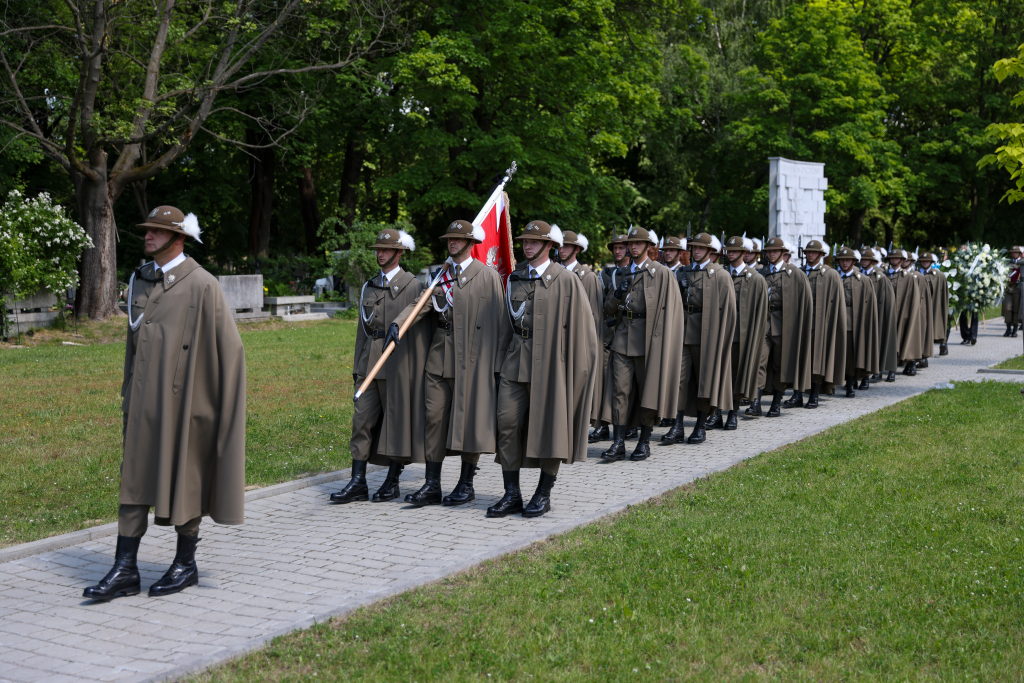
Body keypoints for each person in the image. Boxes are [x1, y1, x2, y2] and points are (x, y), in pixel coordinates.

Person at [84, 206, 246, 601]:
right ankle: (125, 569)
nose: (148, 236)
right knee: (134, 478)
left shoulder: (202, 284)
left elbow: (230, 352)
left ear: (178, 238)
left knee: (185, 478)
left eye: (157, 231)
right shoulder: (140, 281)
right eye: (148, 230)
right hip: (142, 403)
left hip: (186, 404)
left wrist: (216, 410)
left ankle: (185, 564)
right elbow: (133, 347)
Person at [392, 220, 511, 507]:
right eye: (449, 239)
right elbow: (421, 304)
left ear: (471, 244)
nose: (452, 243)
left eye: (458, 240)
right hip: (440, 356)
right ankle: (432, 484)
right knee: (433, 418)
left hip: (472, 359)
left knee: (469, 420)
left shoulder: (487, 276)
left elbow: (500, 323)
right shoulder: (441, 275)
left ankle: (466, 483)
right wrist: (398, 323)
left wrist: (496, 366)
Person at [488, 221, 599, 518]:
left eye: (535, 242)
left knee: (551, 427)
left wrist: (577, 373)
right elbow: (504, 328)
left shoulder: (566, 280)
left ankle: (543, 493)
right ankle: (512, 493)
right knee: (507, 424)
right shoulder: (515, 278)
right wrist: (499, 365)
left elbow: (583, 332)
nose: (528, 246)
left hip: (552, 365)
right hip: (515, 363)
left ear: (550, 246)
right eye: (525, 241)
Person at [329, 229, 431, 504]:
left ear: (399, 253)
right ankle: (357, 481)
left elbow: (419, 324)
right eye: (378, 249)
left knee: (397, 423)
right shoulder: (369, 286)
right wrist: (357, 368)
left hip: (397, 365)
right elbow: (363, 331)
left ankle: (392, 481)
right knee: (361, 420)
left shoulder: (414, 286)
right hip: (369, 364)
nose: (380, 254)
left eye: (386, 250)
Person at [600, 225, 684, 460]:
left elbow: (672, 314)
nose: (633, 247)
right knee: (619, 391)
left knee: (648, 392)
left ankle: (644, 442)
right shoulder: (621, 273)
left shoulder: (661, 273)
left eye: (639, 243)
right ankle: (618, 443)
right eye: (631, 243)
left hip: (649, 342)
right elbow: (606, 309)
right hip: (623, 339)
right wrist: (617, 295)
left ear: (648, 246)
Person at [755, 237, 812, 417]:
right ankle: (756, 402)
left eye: (775, 251)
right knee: (759, 361)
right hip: (764, 323)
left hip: (784, 325)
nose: (771, 254)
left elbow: (805, 301)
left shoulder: (795, 273)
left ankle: (776, 403)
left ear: (782, 253)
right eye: (769, 251)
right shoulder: (762, 272)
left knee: (781, 366)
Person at [786, 240, 846, 408]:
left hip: (820, 325)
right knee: (799, 359)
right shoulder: (798, 272)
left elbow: (837, 304)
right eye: (808, 252)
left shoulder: (830, 274)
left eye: (814, 252)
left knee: (817, 361)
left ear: (821, 255)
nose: (810, 255)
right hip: (800, 324)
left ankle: (814, 395)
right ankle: (797, 395)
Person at [558, 230, 605, 432]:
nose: (562, 249)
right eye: (560, 245)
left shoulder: (587, 277)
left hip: (576, 341)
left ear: (577, 249)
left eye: (567, 246)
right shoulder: (553, 273)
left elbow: (593, 316)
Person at [590, 230, 633, 443]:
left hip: (629, 334)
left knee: (626, 384)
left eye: (621, 248)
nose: (617, 251)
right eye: (615, 248)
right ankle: (603, 424)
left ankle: (630, 425)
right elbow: (604, 306)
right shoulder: (607, 274)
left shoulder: (636, 273)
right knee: (606, 382)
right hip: (609, 334)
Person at [721, 236, 767, 428]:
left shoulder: (755, 278)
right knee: (720, 373)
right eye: (728, 250)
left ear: (743, 253)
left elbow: (760, 312)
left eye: (734, 250)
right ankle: (716, 412)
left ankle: (733, 412)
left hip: (741, 334)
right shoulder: (721, 274)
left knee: (737, 375)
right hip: (721, 333)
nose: (730, 253)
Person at [834, 247, 878, 396]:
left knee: (851, 356)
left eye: (848, 260)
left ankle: (850, 383)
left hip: (853, 322)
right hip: (836, 322)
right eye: (842, 260)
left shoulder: (863, 280)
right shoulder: (833, 278)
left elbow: (869, 305)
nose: (845, 263)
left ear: (854, 261)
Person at [860, 247, 898, 383]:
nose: (864, 262)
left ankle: (886, 370)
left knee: (882, 342)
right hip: (862, 316)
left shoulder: (881, 278)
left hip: (879, 314)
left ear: (873, 261)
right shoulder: (858, 275)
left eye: (867, 260)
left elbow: (887, 300)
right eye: (862, 259)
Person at [887, 249, 924, 373]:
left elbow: (914, 298)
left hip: (903, 312)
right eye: (892, 258)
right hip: (887, 314)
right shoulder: (884, 276)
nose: (894, 260)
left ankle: (910, 362)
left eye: (897, 258)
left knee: (906, 337)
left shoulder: (910, 277)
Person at [904, 251, 935, 369]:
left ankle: (912, 362)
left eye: (907, 260)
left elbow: (923, 297)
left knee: (914, 337)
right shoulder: (898, 275)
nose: (904, 262)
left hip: (916, 310)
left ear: (911, 261)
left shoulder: (917, 276)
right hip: (901, 311)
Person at [918, 252, 951, 356]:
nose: (925, 263)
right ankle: (922, 355)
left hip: (933, 306)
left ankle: (942, 343)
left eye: (927, 261)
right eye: (923, 261)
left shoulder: (939, 276)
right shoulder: (915, 274)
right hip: (919, 306)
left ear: (931, 262)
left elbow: (943, 295)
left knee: (933, 328)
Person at [1002, 246, 1022, 337]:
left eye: (1016, 252)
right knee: (1007, 308)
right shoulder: (1007, 263)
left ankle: (1015, 330)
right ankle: (1008, 328)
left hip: (1017, 289)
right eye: (1012, 252)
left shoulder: (1022, 263)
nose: (1014, 254)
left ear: (1019, 253)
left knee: (1016, 309)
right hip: (1008, 288)